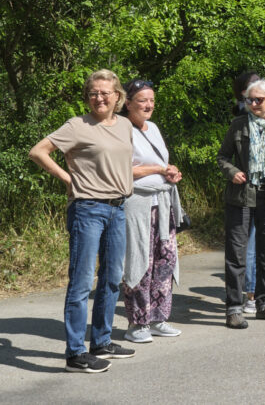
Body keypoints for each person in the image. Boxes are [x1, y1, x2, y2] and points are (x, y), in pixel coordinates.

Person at [29, 69, 137, 372]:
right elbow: (38, 151)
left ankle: (101, 341)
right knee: (80, 283)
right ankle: (76, 354)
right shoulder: (77, 126)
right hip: (88, 209)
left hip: (118, 209)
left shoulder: (126, 125)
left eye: (105, 92)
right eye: (93, 93)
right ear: (87, 97)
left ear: (118, 96)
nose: (99, 98)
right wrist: (67, 178)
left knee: (111, 278)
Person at [218, 79, 265, 328]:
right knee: (236, 255)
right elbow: (222, 156)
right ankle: (234, 308)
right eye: (249, 100)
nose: (253, 104)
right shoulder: (239, 125)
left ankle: (264, 303)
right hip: (241, 196)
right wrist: (232, 172)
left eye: (258, 100)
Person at [120, 79, 184, 343]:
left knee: (164, 261)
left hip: (162, 203)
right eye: (142, 100)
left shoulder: (153, 128)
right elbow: (120, 169)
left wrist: (171, 172)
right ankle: (137, 324)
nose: (148, 105)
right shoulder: (121, 129)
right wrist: (159, 170)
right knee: (139, 263)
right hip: (137, 205)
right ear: (127, 103)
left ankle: (159, 318)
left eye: (152, 100)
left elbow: (161, 162)